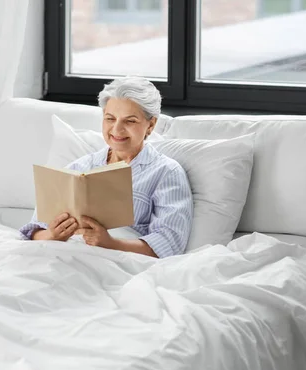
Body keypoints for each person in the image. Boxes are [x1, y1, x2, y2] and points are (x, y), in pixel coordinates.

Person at [20, 76, 193, 258]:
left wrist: (110, 243)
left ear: (151, 125)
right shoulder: (78, 168)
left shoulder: (166, 172)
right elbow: (33, 232)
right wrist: (52, 235)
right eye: (110, 119)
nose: (117, 130)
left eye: (130, 121)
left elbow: (170, 243)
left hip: (117, 263)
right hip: (64, 255)